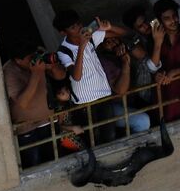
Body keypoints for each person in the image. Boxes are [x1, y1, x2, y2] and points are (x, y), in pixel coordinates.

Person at [53, 10, 129, 144]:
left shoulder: (91, 36)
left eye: (78, 24)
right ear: (63, 33)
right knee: (95, 140)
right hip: (84, 102)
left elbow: (125, 33)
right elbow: (76, 76)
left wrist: (108, 27)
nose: (78, 28)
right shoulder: (63, 51)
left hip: (104, 94)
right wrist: (82, 46)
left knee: (110, 136)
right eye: (72, 27)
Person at [3, 41, 66, 168]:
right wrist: (36, 73)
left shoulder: (38, 58)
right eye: (29, 59)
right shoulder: (9, 71)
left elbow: (61, 76)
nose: (33, 60)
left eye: (34, 56)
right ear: (18, 60)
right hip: (26, 128)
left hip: (48, 121)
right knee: (35, 165)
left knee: (55, 161)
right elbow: (23, 103)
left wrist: (52, 66)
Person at [96, 35, 152, 133]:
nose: (110, 42)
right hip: (109, 106)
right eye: (106, 41)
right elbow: (120, 90)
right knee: (142, 121)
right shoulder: (103, 61)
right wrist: (125, 63)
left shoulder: (122, 55)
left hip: (129, 100)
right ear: (100, 45)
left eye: (114, 39)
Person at [153, 0, 180, 122]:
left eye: (174, 16)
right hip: (167, 92)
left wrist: (174, 72)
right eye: (167, 18)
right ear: (160, 21)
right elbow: (153, 66)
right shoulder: (156, 37)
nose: (173, 21)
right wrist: (157, 43)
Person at [50, 80, 86, 154]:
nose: (67, 93)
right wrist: (73, 128)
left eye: (67, 90)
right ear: (57, 95)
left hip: (72, 133)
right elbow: (59, 125)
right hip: (67, 136)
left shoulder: (68, 103)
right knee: (83, 151)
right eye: (62, 93)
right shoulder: (60, 107)